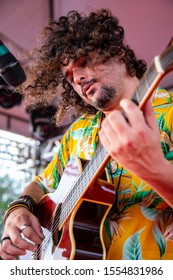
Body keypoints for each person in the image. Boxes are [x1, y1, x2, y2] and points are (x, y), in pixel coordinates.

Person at [0, 8, 173, 260]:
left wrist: (155, 171)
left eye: (83, 62)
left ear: (118, 53)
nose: (78, 78)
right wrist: (19, 209)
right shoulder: (79, 132)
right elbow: (42, 184)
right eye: (69, 77)